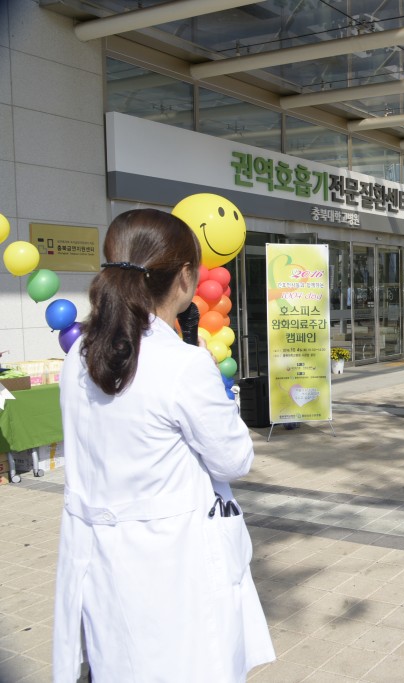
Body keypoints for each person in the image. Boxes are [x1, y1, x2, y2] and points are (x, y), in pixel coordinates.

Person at [53, 209, 274, 682]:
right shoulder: (183, 366)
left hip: (96, 557)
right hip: (171, 568)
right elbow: (234, 458)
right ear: (186, 277)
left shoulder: (78, 354)